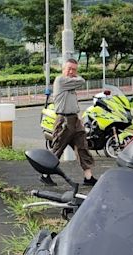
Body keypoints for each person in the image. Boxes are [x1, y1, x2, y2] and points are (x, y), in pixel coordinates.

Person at [41, 58, 97, 187]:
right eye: (69, 69)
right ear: (63, 69)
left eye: (74, 69)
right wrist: (76, 76)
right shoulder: (60, 80)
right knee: (57, 148)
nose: (71, 72)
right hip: (64, 120)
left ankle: (88, 177)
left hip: (75, 119)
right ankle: (45, 175)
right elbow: (82, 81)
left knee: (82, 147)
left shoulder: (70, 82)